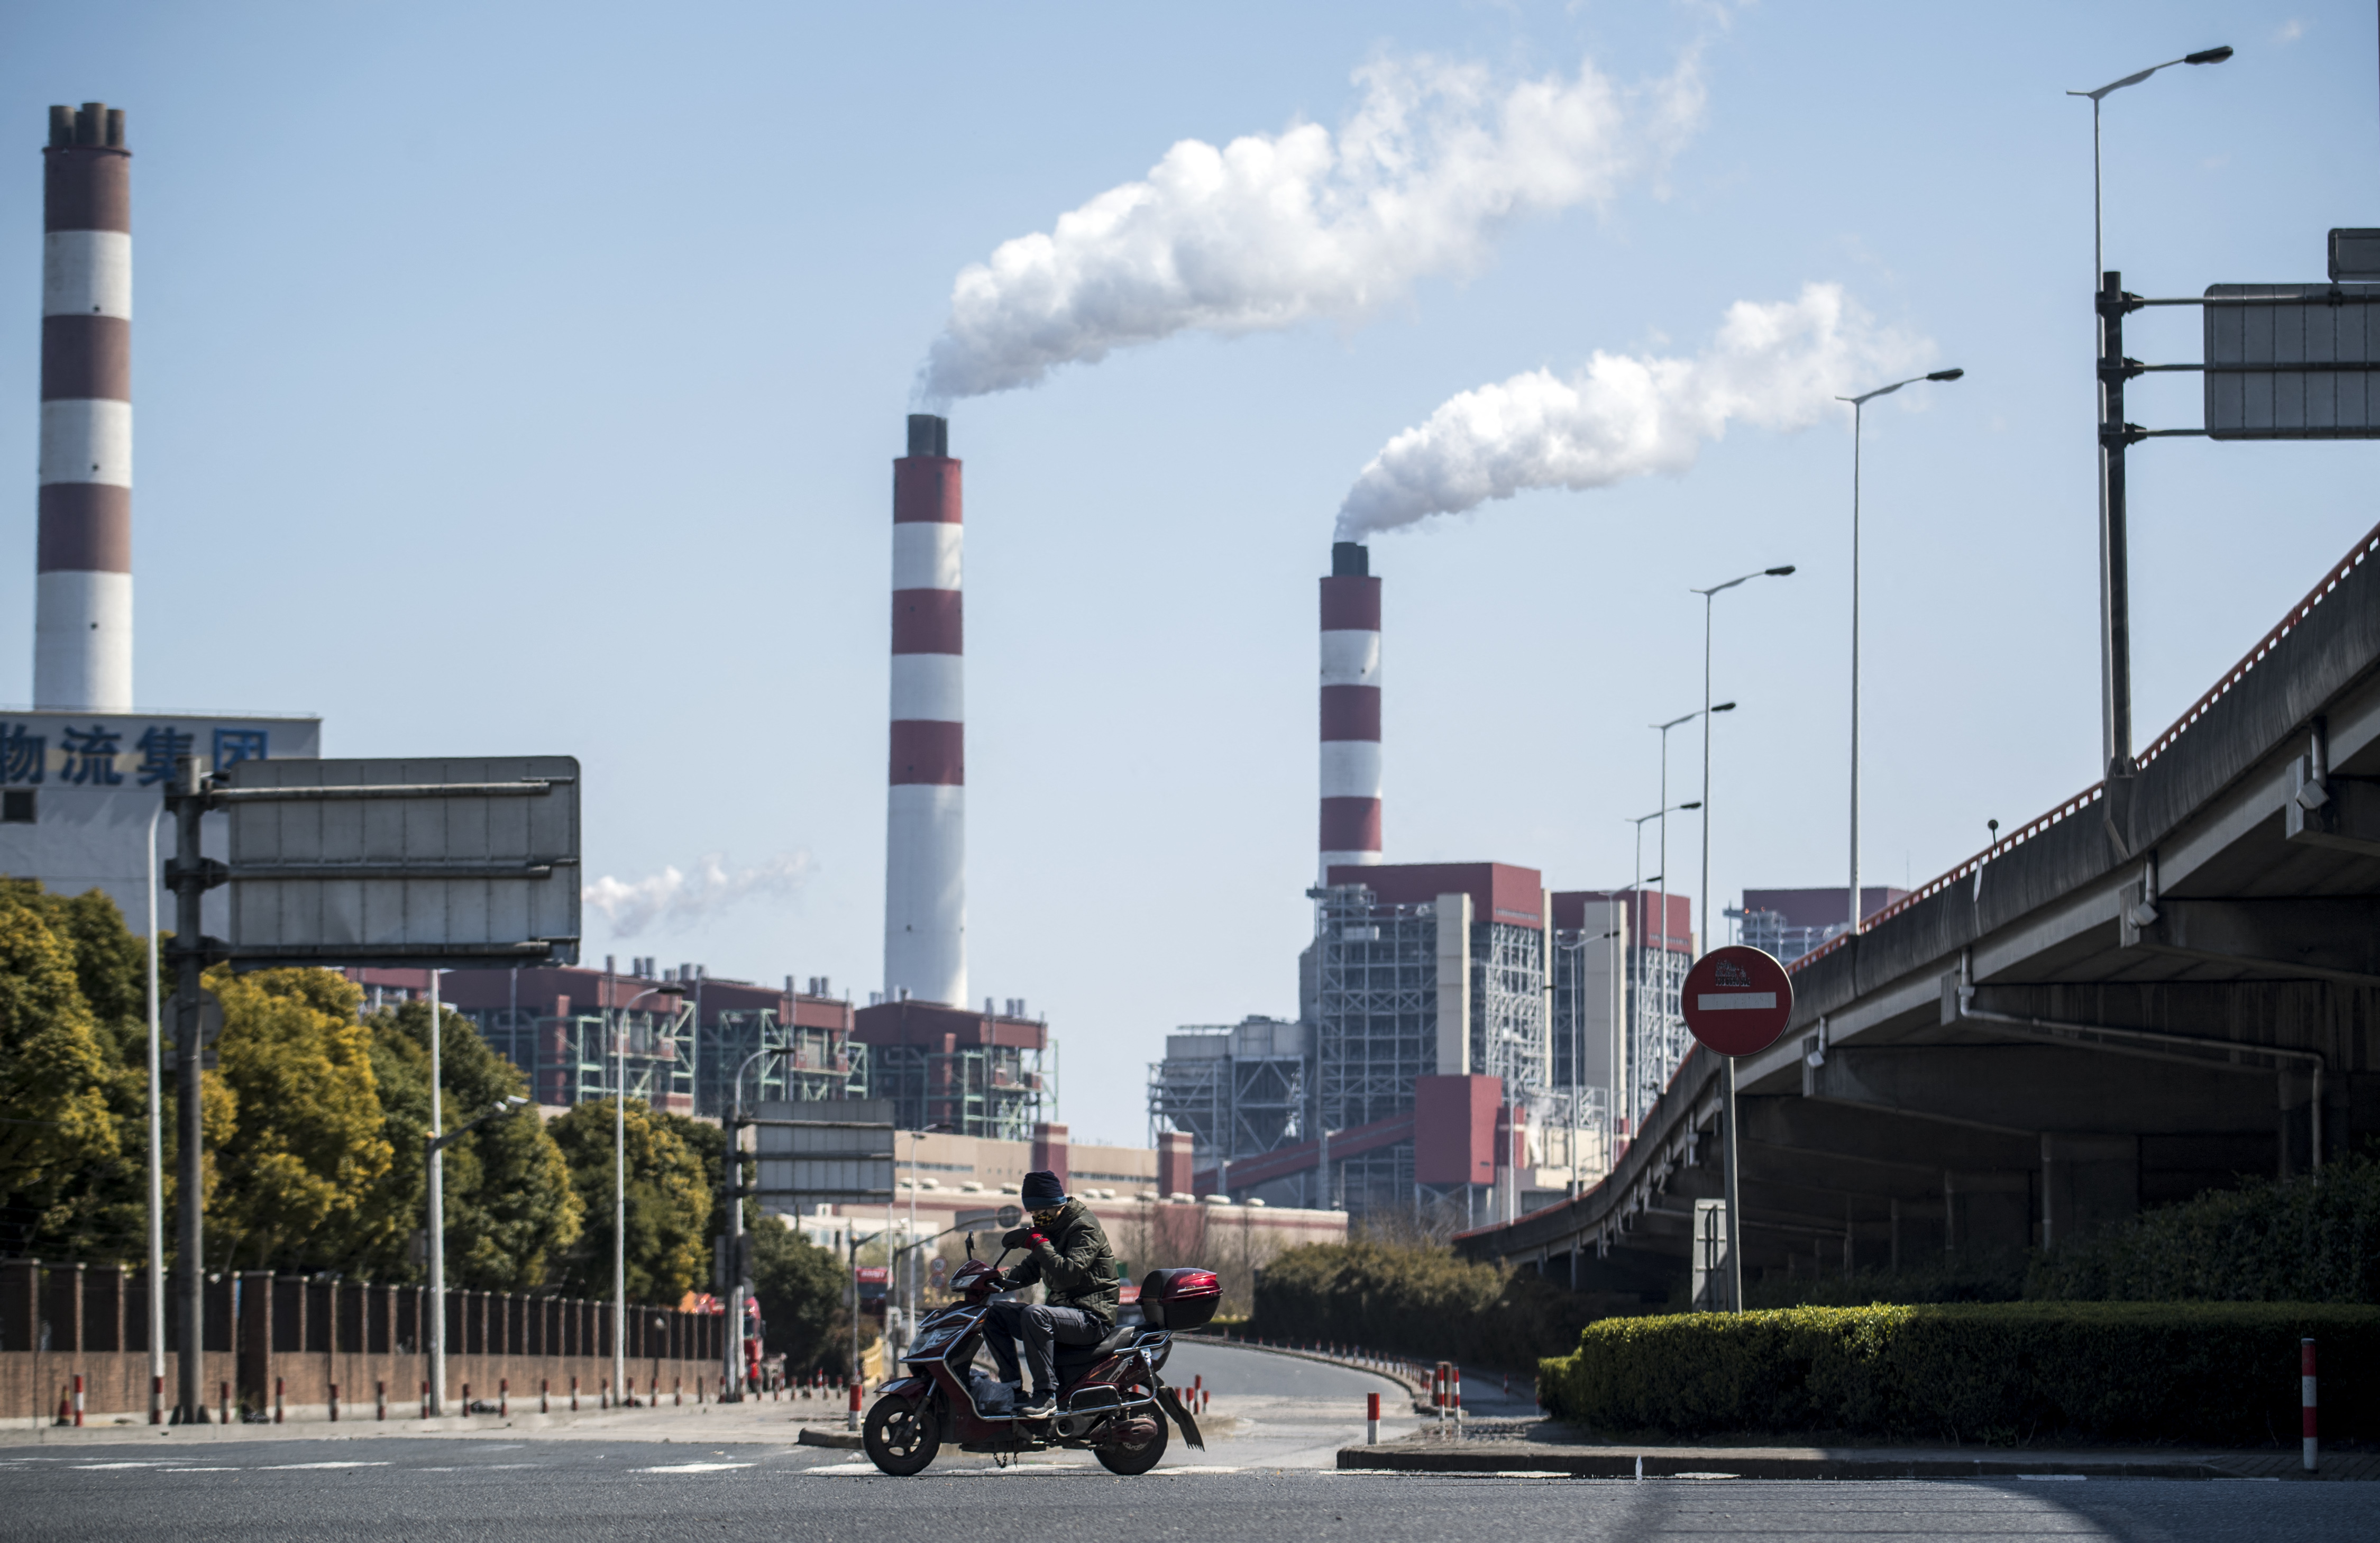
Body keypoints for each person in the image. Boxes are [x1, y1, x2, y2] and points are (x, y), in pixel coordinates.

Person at [985, 1170, 1119, 1418]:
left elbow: (1069, 1273)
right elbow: (1030, 1270)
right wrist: (993, 1282)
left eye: (1039, 1211)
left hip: (1091, 1317)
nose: (1036, 1217)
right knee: (995, 1314)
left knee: (1036, 1315)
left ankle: (1046, 1396)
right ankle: (1012, 1389)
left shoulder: (1084, 1228)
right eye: (1032, 1213)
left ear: (1055, 1204)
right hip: (1065, 1314)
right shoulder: (1052, 1228)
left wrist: (1037, 1242)